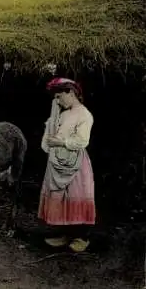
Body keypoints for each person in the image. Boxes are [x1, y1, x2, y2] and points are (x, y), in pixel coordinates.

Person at [38, 77, 96, 252]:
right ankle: (65, 234)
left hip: (75, 164)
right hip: (59, 162)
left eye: (59, 96)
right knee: (62, 198)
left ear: (70, 92)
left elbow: (82, 141)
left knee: (77, 195)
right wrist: (52, 121)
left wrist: (61, 143)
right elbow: (50, 138)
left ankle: (82, 237)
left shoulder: (84, 114)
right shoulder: (62, 114)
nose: (57, 100)